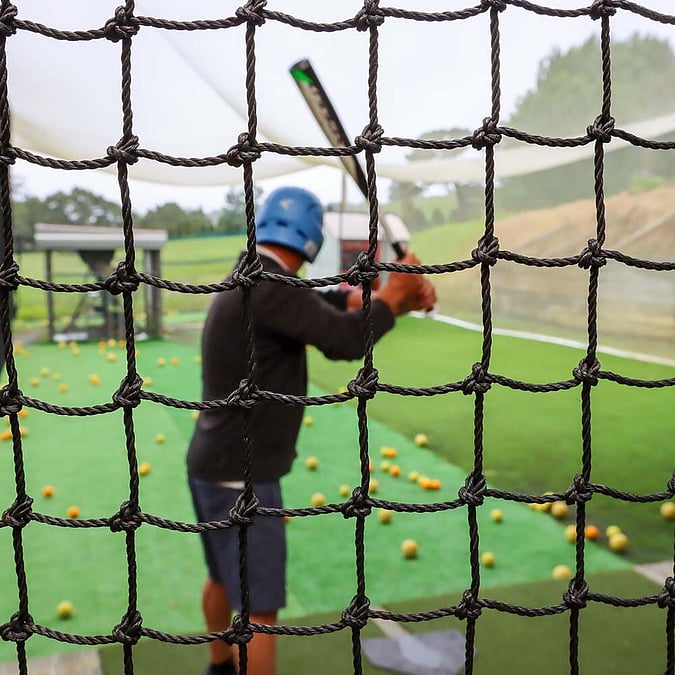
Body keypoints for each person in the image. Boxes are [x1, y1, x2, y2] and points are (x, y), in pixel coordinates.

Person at [187, 186, 436, 675]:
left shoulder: (255, 275)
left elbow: (315, 306)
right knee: (259, 610)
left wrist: (369, 296)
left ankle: (219, 668)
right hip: (242, 474)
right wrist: (391, 299)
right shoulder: (269, 285)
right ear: (311, 236)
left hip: (213, 464)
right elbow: (343, 341)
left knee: (222, 575)